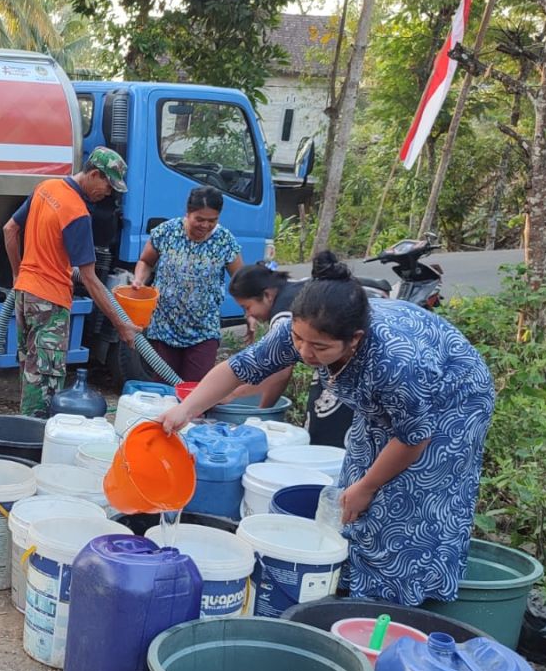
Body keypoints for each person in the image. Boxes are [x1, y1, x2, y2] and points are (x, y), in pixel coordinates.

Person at [159, 252, 495, 606]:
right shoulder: (306, 328)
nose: (305, 352)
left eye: (319, 347)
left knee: (406, 499)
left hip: (452, 403)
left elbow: (415, 437)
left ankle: (399, 600)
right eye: (299, 339)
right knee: (351, 488)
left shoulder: (395, 363)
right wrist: (186, 408)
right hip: (396, 399)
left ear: (355, 339)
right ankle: (351, 578)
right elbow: (239, 368)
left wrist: (368, 486)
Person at [3, 147, 138, 417]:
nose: (108, 194)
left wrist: (19, 274)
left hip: (24, 296)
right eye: (108, 186)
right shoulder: (76, 212)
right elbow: (90, 278)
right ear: (94, 174)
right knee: (44, 382)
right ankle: (35, 442)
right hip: (50, 303)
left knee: (31, 372)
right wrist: (122, 324)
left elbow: (10, 229)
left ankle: (26, 433)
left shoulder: (46, 186)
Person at [228, 264, 356, 447]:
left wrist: (260, 414)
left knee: (328, 435)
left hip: (349, 365)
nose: (248, 314)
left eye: (247, 307)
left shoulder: (284, 315)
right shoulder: (294, 287)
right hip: (340, 359)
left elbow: (279, 373)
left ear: (267, 295)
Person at [131, 186, 243, 383]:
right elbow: (146, 261)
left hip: (204, 328)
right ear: (188, 212)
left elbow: (241, 279)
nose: (205, 225)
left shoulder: (224, 240)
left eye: (212, 220)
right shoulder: (166, 232)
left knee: (195, 391)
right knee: (164, 390)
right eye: (199, 219)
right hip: (164, 325)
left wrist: (249, 310)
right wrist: (139, 279)